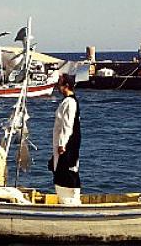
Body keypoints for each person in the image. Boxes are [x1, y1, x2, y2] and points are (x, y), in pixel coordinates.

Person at [50, 74, 81, 205]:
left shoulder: (70, 102)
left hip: (67, 145)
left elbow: (68, 125)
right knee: (59, 171)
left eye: (60, 83)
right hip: (62, 144)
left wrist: (62, 144)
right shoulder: (66, 101)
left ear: (66, 86)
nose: (57, 86)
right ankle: (65, 201)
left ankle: (70, 202)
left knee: (67, 172)